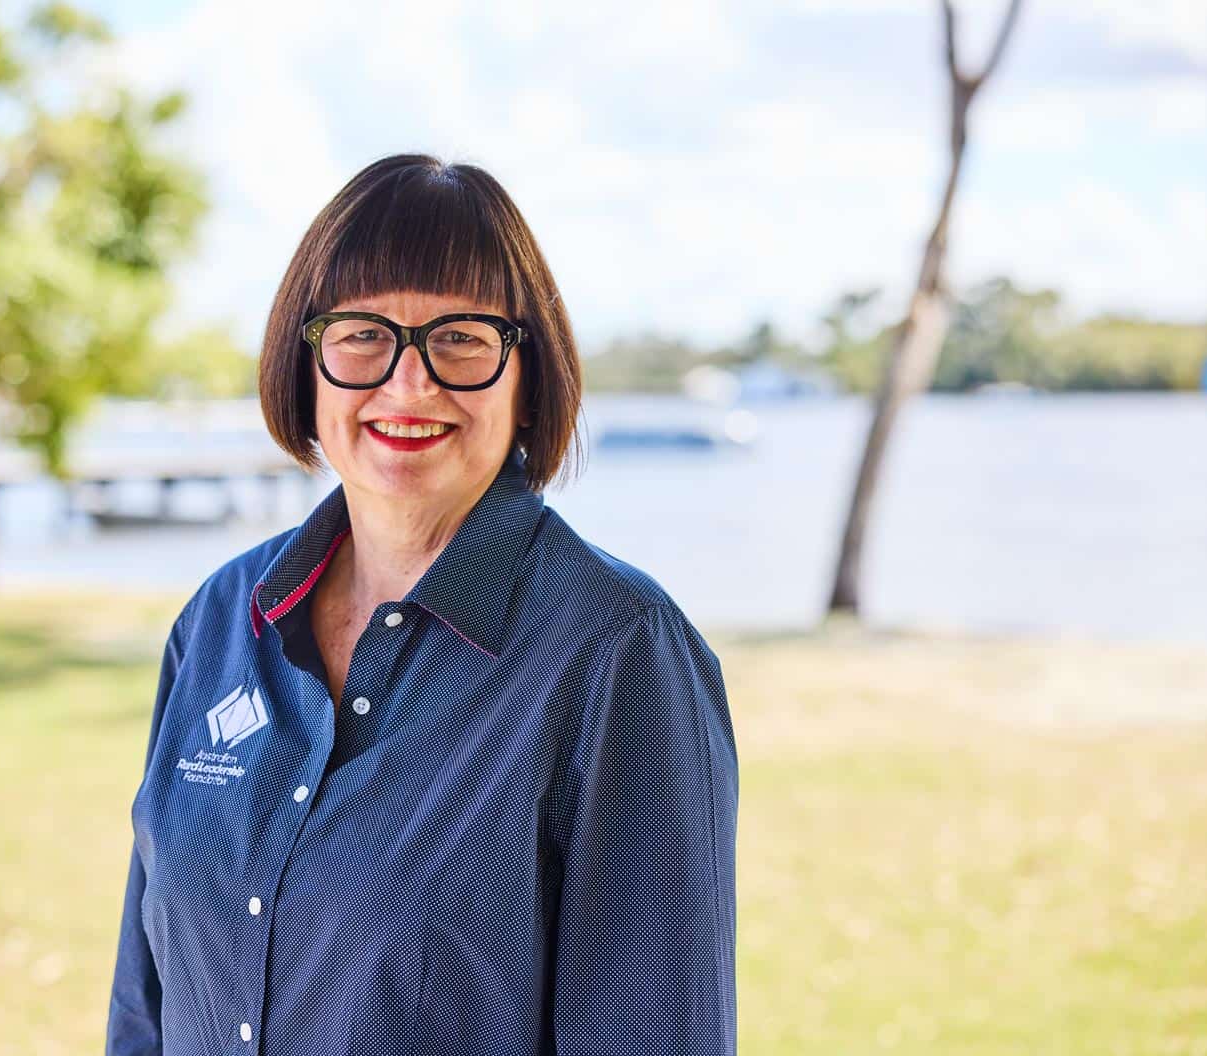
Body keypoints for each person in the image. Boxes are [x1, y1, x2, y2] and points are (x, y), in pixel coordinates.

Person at [105, 153, 738, 1056]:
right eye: (362, 333)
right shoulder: (219, 619)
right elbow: (147, 1003)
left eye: (462, 338)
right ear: (307, 361)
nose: (410, 384)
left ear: (527, 380)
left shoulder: (616, 653)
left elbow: (654, 1034)